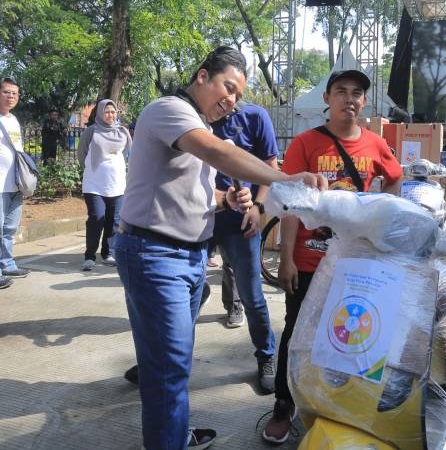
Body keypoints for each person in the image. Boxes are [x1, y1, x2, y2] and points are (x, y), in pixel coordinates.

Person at [114, 46, 326, 450]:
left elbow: (190, 189)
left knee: (171, 364)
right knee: (168, 367)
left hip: (188, 255)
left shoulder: (198, 124)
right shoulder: (169, 110)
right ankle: (167, 442)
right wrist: (285, 178)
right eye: (227, 87)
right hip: (155, 253)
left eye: (238, 95)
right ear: (201, 76)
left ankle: (171, 434)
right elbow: (220, 153)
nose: (231, 100)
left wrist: (225, 200)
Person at [262, 69, 403, 445]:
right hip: (309, 261)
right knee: (297, 334)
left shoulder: (375, 144)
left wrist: (383, 212)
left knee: (354, 335)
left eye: (357, 93)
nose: (350, 99)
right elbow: (290, 206)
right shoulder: (306, 143)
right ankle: (283, 403)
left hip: (357, 264)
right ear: (327, 98)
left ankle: (340, 405)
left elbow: (394, 177)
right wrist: (287, 259)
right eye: (341, 91)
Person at [211, 101, 280, 394]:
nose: (230, 97)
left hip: (242, 222)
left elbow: (270, 167)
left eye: (236, 89)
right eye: (225, 86)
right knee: (185, 294)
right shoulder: (194, 116)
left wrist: (259, 207)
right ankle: (161, 360)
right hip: (198, 219)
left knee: (252, 294)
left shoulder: (254, 116)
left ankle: (266, 356)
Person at [77, 99, 131, 271]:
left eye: (113, 112)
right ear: (100, 113)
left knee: (114, 221)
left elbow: (129, 153)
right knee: (96, 218)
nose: (110, 115)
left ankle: (108, 252)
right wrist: (94, 169)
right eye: (107, 111)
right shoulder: (91, 131)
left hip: (117, 184)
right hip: (94, 184)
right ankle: (90, 256)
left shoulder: (123, 132)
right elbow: (81, 154)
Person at [0, 77, 30, 289]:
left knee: (9, 228)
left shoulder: (14, 120)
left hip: (16, 184)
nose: (11, 97)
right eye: (6, 92)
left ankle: (8, 264)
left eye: (14, 94)